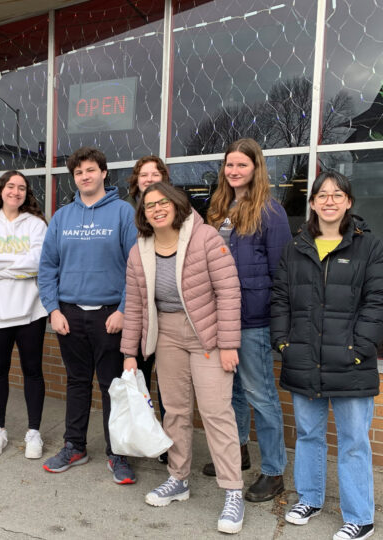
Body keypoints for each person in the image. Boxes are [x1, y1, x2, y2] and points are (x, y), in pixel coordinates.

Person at [121, 181, 244, 534]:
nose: (157, 209)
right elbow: (134, 306)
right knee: (174, 410)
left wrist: (229, 343)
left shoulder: (205, 238)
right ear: (143, 214)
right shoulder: (138, 250)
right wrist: (130, 352)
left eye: (163, 203)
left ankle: (232, 491)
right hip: (168, 335)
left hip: (207, 333)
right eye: (149, 205)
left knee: (216, 411)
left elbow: (229, 291)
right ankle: (178, 479)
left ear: (176, 205)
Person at [272, 172, 383, 540]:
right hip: (303, 357)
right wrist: (284, 343)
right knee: (307, 434)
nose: (330, 201)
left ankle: (359, 516)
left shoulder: (369, 247)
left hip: (351, 361)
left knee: (353, 442)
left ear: (349, 202)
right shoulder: (295, 247)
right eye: (322, 195)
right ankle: (310, 498)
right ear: (313, 202)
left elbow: (376, 303)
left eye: (337, 195)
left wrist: (361, 348)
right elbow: (281, 300)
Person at [38, 147, 138, 484]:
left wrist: (124, 309)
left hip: (110, 316)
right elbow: (47, 267)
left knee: (113, 387)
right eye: (79, 172)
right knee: (77, 382)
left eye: (91, 170)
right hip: (69, 315)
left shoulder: (124, 213)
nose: (85, 176)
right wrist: (52, 309)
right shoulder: (62, 217)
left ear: (104, 173)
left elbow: (135, 268)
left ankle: (118, 453)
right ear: (75, 177)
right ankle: (75, 445)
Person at [205, 138, 290, 502]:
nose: (234, 171)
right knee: (233, 394)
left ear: (256, 167)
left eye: (241, 165)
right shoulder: (219, 207)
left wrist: (274, 319)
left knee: (261, 396)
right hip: (220, 318)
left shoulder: (270, 212)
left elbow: (282, 272)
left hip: (253, 321)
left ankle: (273, 472)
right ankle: (237, 452)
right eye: (229, 165)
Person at [0, 171, 48, 459]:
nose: (16, 192)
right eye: (11, 186)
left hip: (32, 311)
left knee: (33, 372)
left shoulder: (37, 225)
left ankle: (33, 432)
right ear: (1, 190)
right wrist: (19, 267)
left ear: (27, 193)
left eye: (22, 188)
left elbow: (39, 263)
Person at [124, 155, 170, 463]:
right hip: (139, 313)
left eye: (155, 173)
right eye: (144, 174)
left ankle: (168, 444)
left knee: (168, 385)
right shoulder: (127, 215)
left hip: (168, 315)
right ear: (136, 181)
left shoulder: (175, 212)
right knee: (138, 379)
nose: (149, 178)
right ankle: (141, 438)